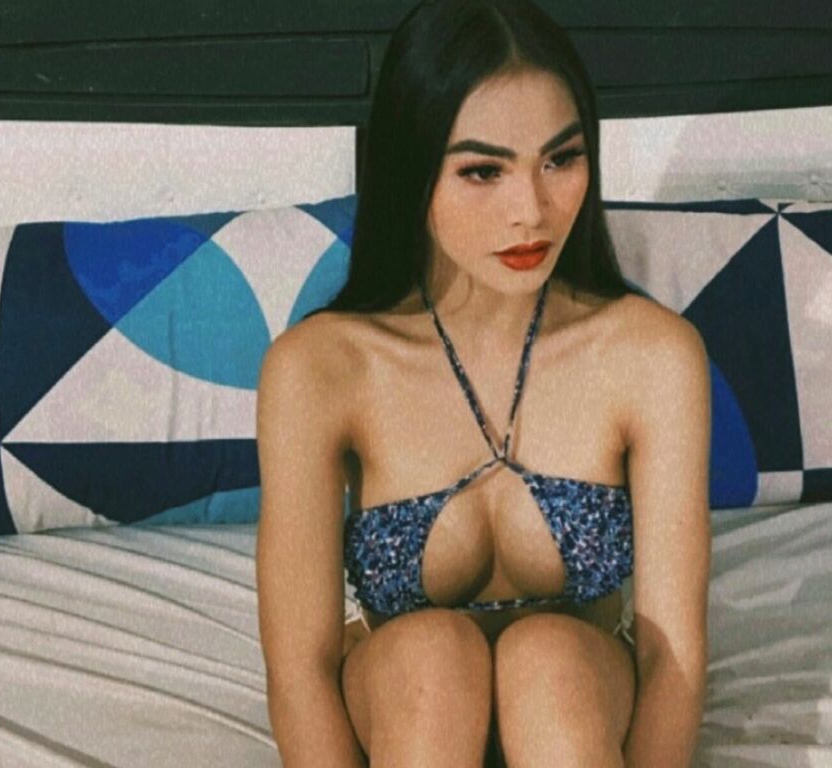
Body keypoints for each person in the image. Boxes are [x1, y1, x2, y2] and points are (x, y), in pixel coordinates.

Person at [255, 0, 711, 765]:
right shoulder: (321, 368)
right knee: (432, 655)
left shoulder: (651, 354)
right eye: (482, 170)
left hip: (579, 720)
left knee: (549, 661)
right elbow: (300, 668)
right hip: (409, 718)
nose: (530, 210)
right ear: (411, 168)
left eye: (560, 159)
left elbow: (675, 658)